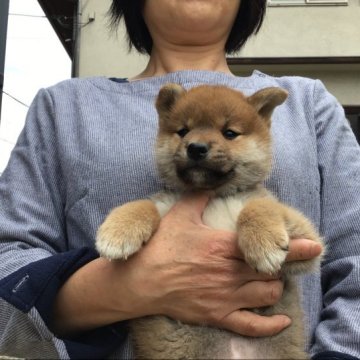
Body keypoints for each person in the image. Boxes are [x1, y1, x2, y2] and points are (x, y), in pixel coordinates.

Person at [0, 0, 359, 358]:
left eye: (230, 132)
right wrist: (118, 289)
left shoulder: (309, 103)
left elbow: (350, 260)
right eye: (184, 130)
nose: (199, 143)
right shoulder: (64, 107)